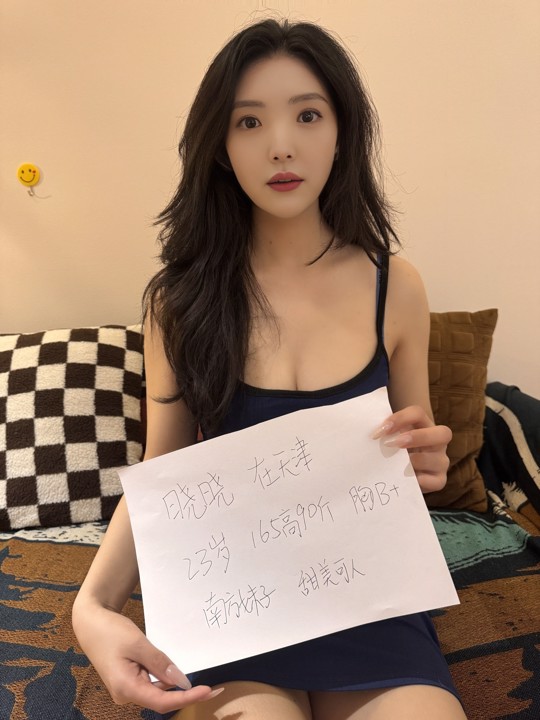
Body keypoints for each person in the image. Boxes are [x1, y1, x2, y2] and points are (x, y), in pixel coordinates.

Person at [72, 18, 467, 720]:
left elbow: (418, 458)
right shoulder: (179, 302)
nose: (281, 144)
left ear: (342, 131)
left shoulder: (395, 287)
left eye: (307, 115)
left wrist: (426, 463)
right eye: (248, 121)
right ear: (221, 147)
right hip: (233, 604)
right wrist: (91, 608)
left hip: (365, 599)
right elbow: (162, 473)